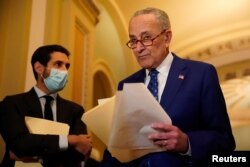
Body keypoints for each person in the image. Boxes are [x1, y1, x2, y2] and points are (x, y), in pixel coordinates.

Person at [100, 7, 235, 167]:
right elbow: (116, 146)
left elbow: (224, 139)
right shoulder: (126, 84)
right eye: (134, 40)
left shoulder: (202, 74)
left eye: (147, 38)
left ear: (167, 37)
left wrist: (187, 143)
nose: (138, 48)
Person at [0, 44, 93, 167]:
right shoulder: (12, 104)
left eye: (67, 66)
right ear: (39, 68)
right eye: (58, 64)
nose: (64, 71)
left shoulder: (75, 110)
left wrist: (33, 155)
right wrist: (70, 140)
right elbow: (19, 143)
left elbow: (78, 153)